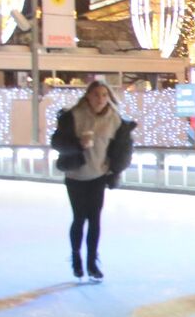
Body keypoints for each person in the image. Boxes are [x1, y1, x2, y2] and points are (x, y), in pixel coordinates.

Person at [51, 82, 135, 281]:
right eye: (96, 94)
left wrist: (115, 170)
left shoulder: (114, 120)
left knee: (95, 219)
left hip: (98, 175)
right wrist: (77, 145)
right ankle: (76, 258)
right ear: (88, 96)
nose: (100, 99)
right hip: (75, 175)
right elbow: (57, 142)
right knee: (79, 218)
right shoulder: (74, 116)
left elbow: (122, 149)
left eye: (104, 95)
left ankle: (92, 262)